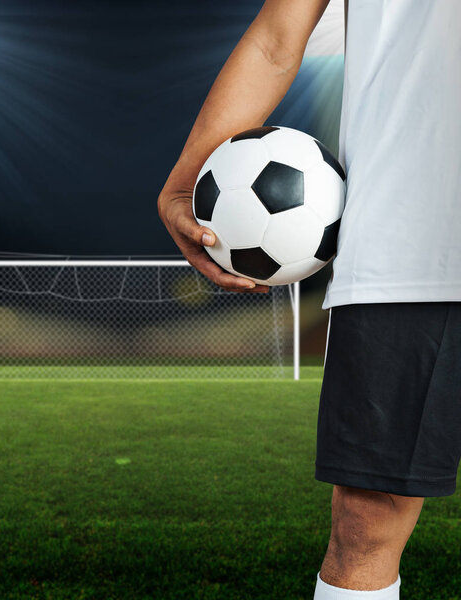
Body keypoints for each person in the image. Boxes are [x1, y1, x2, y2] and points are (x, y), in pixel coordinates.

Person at [157, 0, 461, 598]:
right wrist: (186, 178)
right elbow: (278, 36)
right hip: (408, 242)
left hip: (404, 250)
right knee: (367, 521)